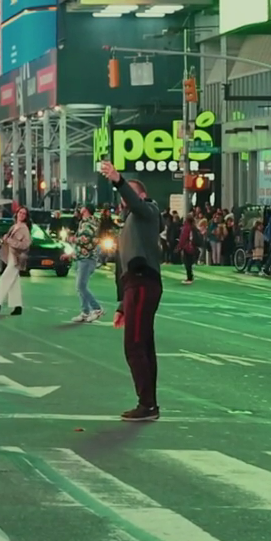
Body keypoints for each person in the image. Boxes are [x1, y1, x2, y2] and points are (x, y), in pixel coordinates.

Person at [100, 161, 166, 421]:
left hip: (142, 282)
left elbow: (136, 202)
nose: (124, 201)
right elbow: (121, 264)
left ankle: (146, 404)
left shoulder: (148, 210)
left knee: (135, 345)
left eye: (128, 195)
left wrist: (119, 180)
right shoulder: (132, 222)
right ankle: (149, 403)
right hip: (134, 285)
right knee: (144, 344)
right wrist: (121, 305)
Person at [0, 206, 32, 316]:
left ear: (26, 217)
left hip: (17, 259)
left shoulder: (24, 229)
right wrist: (5, 239)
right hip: (10, 256)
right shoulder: (14, 226)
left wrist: (10, 241)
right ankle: (18, 306)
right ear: (17, 213)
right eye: (20, 212)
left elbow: (26, 245)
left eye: (24, 214)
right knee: (14, 283)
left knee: (4, 279)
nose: (21, 215)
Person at [69, 206, 107, 323]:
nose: (80, 209)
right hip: (83, 257)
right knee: (81, 286)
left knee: (80, 286)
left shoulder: (88, 223)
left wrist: (73, 239)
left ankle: (97, 308)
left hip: (87, 258)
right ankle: (85, 312)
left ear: (86, 210)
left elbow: (85, 239)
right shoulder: (88, 222)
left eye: (82, 207)